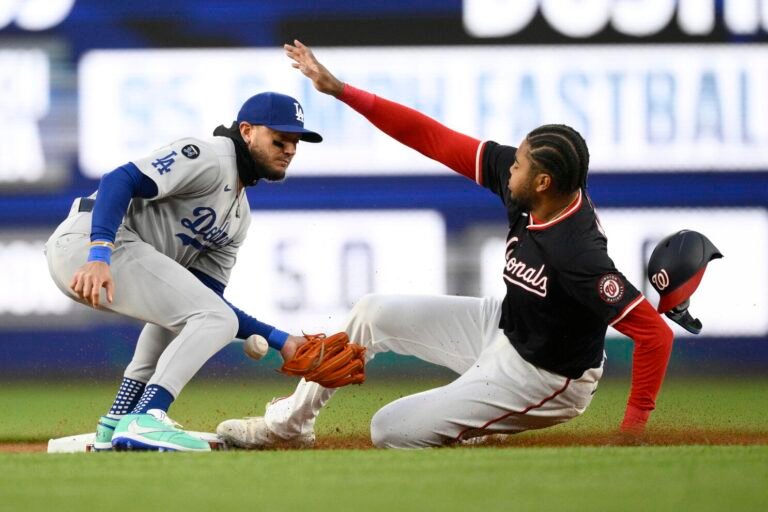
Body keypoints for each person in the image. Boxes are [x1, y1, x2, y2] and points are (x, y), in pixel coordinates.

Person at [216, 41, 675, 449]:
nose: (505, 168)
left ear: (543, 181)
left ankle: (477, 423)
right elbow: (430, 137)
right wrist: (341, 90)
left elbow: (654, 335)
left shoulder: (577, 252)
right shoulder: (532, 191)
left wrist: (633, 427)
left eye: (517, 165)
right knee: (372, 312)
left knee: (390, 429)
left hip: (547, 375)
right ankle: (291, 426)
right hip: (504, 325)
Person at [45, 91, 323, 452]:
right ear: (247, 131)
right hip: (88, 246)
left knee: (187, 317)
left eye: (295, 143)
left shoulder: (239, 217)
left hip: (117, 254)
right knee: (213, 319)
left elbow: (207, 299)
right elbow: (118, 179)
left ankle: (117, 420)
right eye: (280, 139)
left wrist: (280, 340)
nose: (290, 149)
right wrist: (100, 253)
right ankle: (147, 418)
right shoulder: (210, 156)